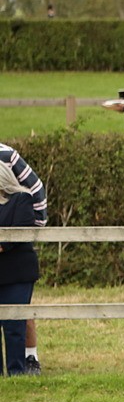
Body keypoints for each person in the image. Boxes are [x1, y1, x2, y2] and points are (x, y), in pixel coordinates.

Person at [0, 143, 46, 375]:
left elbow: (23, 229)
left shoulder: (21, 199)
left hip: (17, 269)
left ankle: (19, 370)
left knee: (15, 323)